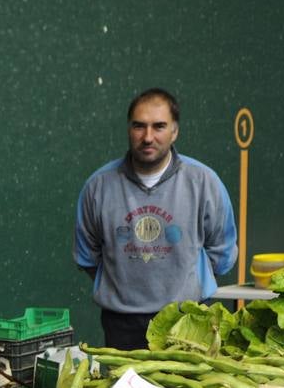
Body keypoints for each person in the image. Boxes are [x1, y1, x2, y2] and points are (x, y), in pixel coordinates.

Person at [74, 88, 238, 352]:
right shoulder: (98, 187)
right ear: (129, 129)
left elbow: (223, 253)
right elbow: (88, 256)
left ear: (175, 132)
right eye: (139, 126)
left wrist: (186, 285)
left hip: (189, 320)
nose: (148, 137)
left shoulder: (204, 182)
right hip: (122, 327)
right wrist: (126, 289)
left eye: (159, 126)